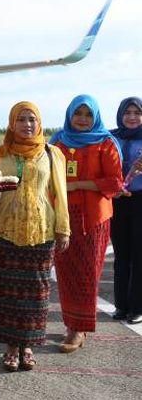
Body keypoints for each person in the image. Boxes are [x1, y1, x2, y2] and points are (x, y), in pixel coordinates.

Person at [0, 101, 70, 371]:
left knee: (37, 292)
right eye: (21, 119)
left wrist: (63, 228)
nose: (27, 125)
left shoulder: (52, 153)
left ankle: (28, 345)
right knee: (7, 292)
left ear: (39, 122)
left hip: (41, 230)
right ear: (11, 123)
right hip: (6, 230)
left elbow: (60, 192)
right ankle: (10, 346)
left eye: (32, 119)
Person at [50, 95, 123, 350]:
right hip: (62, 217)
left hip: (93, 220)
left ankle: (77, 329)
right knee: (66, 274)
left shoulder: (105, 143)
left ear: (96, 117)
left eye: (87, 114)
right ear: (70, 115)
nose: (82, 119)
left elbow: (115, 183)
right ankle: (72, 323)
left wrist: (76, 185)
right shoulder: (57, 142)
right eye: (78, 114)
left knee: (87, 274)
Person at [110, 96, 142, 325]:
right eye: (127, 112)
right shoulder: (112, 137)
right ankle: (121, 305)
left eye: (137, 113)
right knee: (121, 256)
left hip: (141, 201)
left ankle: (137, 308)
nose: (132, 117)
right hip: (117, 201)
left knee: (139, 256)